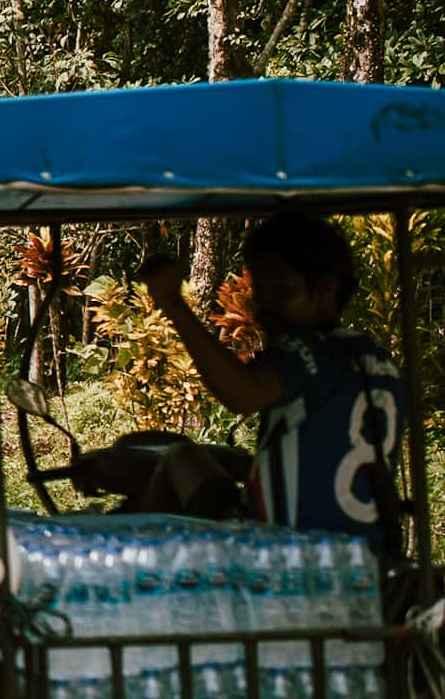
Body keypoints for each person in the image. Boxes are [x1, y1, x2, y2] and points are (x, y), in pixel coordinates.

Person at [141, 212, 403, 544]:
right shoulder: (377, 361)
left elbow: (243, 394)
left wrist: (171, 302)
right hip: (365, 554)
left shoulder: (305, 350)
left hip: (285, 554)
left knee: (178, 458)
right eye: (261, 293)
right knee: (184, 457)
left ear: (324, 289)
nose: (264, 307)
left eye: (281, 291)